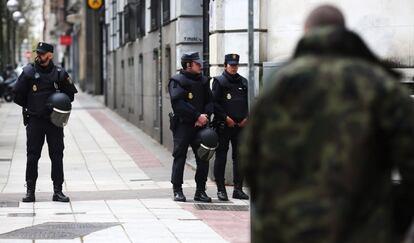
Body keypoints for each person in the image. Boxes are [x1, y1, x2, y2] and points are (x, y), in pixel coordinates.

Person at [240, 5, 414, 243]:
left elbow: (249, 160)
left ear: (306, 31)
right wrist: (392, 219)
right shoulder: (381, 85)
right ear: (344, 31)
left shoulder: (280, 85)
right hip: (363, 231)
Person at [13, 42, 78, 203]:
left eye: (42, 53)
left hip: (54, 122)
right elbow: (17, 95)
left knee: (57, 156)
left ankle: (58, 191)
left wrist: (59, 102)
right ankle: (30, 191)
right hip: (35, 121)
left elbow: (70, 95)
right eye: (38, 53)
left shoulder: (60, 74)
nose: (39, 56)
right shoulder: (28, 72)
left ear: (50, 55)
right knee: (32, 156)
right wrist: (32, 106)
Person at [168, 52, 214, 202]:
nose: (201, 66)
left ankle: (200, 191)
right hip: (183, 125)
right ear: (188, 65)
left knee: (203, 157)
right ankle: (177, 190)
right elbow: (178, 104)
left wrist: (205, 116)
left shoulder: (203, 80)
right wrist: (196, 116)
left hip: (200, 125)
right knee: (180, 156)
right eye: (197, 63)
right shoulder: (177, 81)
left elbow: (210, 101)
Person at [212, 53, 249, 201]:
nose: (233, 68)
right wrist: (226, 118)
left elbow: (249, 102)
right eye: (231, 65)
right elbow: (214, 103)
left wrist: (247, 118)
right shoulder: (219, 82)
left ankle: (238, 189)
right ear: (225, 65)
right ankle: (221, 189)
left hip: (241, 126)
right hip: (224, 125)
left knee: (239, 157)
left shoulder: (244, 82)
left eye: (235, 65)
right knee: (221, 156)